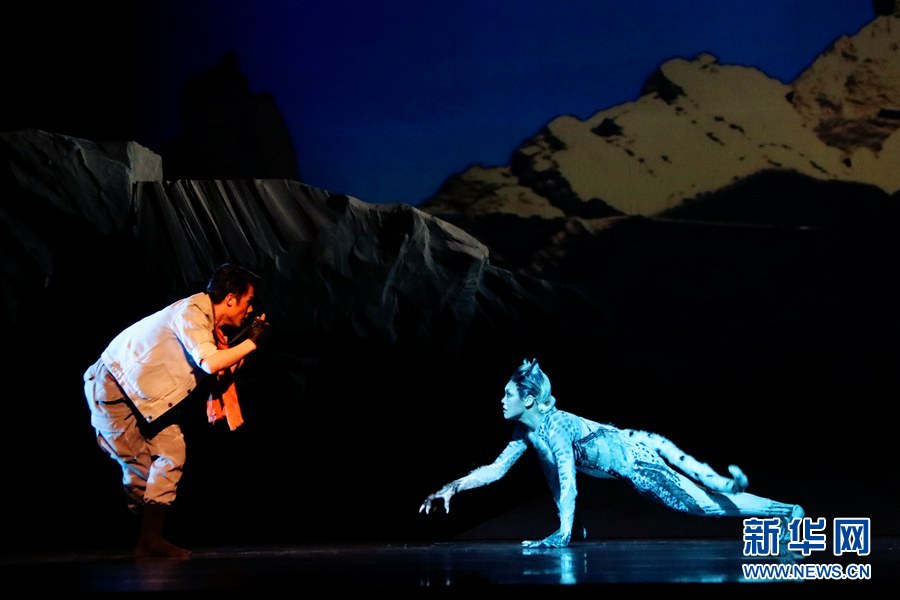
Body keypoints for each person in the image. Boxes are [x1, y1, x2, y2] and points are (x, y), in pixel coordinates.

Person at [420, 358, 804, 549]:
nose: (501, 400)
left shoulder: (557, 426)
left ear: (530, 400)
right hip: (630, 447)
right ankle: (574, 528)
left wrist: (562, 534)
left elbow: (569, 479)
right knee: (547, 464)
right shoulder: (527, 430)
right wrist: (451, 487)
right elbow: (496, 469)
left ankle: (786, 511)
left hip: (638, 459)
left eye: (508, 394)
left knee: (704, 504)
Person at [84, 263, 269, 558]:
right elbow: (211, 363)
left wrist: (248, 341)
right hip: (115, 390)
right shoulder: (192, 314)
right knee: (140, 473)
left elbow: (218, 370)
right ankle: (141, 537)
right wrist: (251, 342)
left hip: (148, 400)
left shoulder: (209, 329)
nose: (249, 309)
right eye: (248, 301)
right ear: (230, 298)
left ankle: (149, 540)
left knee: (172, 453)